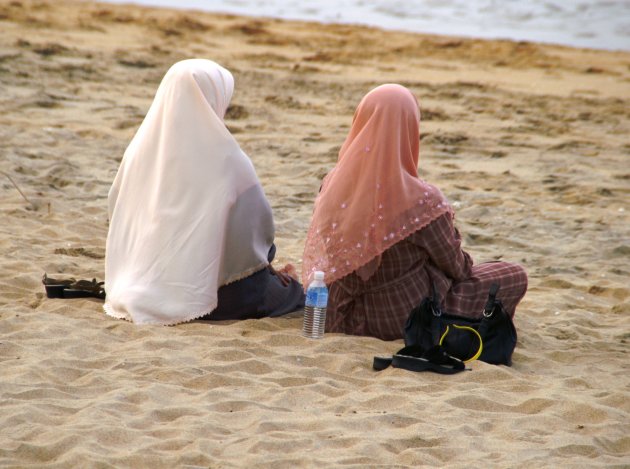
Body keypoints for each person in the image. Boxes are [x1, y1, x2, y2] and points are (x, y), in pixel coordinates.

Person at [302, 84, 527, 341]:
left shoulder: (331, 187)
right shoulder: (422, 201)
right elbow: (458, 268)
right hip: (401, 316)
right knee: (512, 274)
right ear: (409, 130)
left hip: (341, 314)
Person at [104, 59, 303, 325]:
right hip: (213, 298)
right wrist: (267, 262)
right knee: (294, 293)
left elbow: (115, 212)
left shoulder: (137, 152)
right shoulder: (229, 160)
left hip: (135, 283)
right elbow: (255, 238)